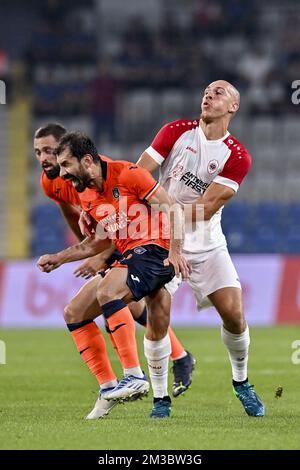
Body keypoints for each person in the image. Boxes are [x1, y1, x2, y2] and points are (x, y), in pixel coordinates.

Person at [34, 124, 196, 404]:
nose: (47, 161)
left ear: (83, 158)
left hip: (152, 249)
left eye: (51, 152)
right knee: (76, 311)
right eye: (39, 153)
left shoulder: (124, 173)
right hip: (124, 246)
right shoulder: (61, 186)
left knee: (111, 293)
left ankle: (137, 375)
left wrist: (176, 250)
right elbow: (92, 229)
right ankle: (112, 387)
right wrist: (59, 257)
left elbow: (163, 209)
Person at [137, 80, 265, 417]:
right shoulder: (175, 131)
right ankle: (161, 400)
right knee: (158, 314)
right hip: (162, 240)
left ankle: (242, 382)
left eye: (219, 92)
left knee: (235, 316)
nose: (209, 95)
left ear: (233, 107)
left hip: (206, 244)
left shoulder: (237, 156)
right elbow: (139, 175)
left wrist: (169, 210)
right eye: (207, 91)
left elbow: (207, 208)